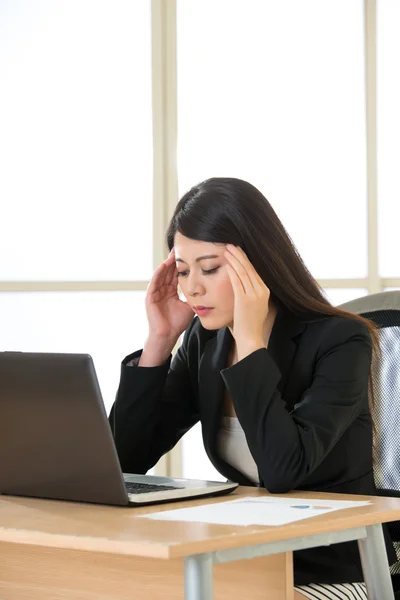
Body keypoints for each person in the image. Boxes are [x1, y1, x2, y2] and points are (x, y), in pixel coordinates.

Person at [109, 177, 395, 599]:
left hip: (335, 569)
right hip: (246, 559)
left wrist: (250, 345)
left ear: (256, 264)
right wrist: (159, 342)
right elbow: (125, 460)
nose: (192, 288)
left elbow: (283, 470)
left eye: (209, 269)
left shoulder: (340, 341)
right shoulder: (205, 342)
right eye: (183, 271)